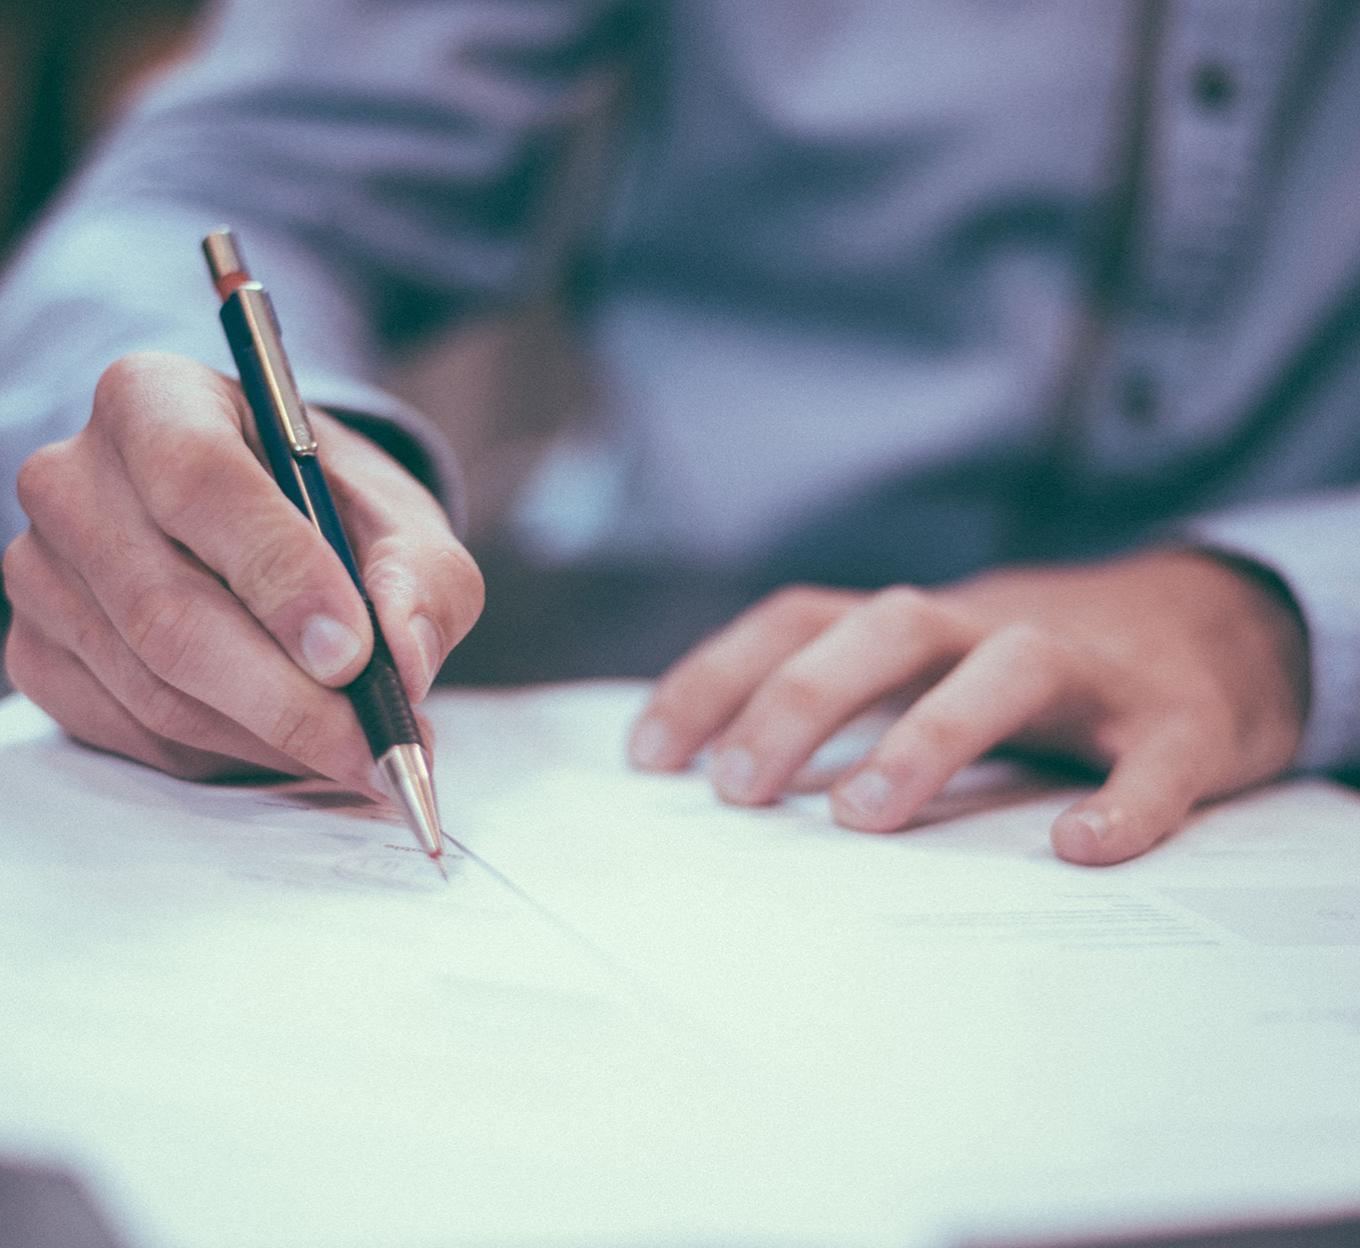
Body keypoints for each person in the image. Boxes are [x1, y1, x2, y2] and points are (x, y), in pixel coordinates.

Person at [1, 0, 1355, 867]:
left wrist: (1285, 611)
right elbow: (220, 186)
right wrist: (195, 477)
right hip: (661, 680)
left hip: (1290, 742)